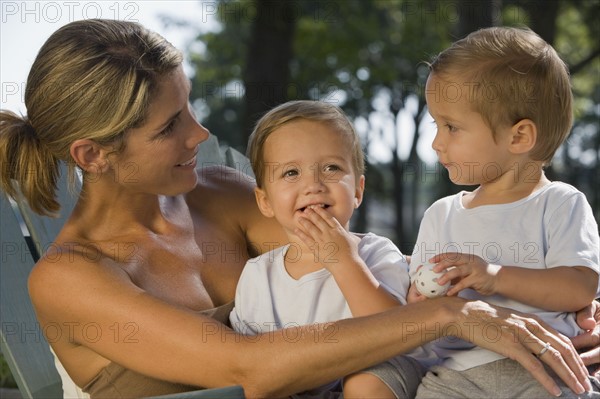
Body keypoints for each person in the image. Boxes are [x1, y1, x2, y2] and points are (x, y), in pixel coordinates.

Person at [0, 19, 594, 399]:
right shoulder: (70, 278)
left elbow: (376, 273)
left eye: (190, 108)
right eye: (170, 126)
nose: (199, 134)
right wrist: (451, 317)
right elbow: (250, 369)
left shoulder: (222, 195)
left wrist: (552, 306)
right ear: (93, 154)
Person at [408, 26, 600, 398]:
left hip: (547, 369)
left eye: (452, 127)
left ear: (519, 137)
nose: (436, 142)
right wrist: (419, 298)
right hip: (456, 375)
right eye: (436, 124)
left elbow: (579, 287)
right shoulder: (441, 214)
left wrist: (493, 276)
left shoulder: (559, 203)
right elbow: (418, 310)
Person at [230, 100, 427, 398]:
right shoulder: (257, 275)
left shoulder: (376, 252)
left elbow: (397, 334)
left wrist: (344, 261)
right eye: (291, 173)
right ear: (265, 202)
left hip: (375, 369)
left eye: (331, 168)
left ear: (358, 190)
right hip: (296, 386)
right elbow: (250, 364)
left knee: (367, 384)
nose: (314, 185)